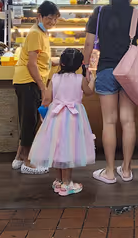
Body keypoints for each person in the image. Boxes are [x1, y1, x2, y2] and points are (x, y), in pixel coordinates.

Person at [84, 0, 138, 184]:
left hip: (105, 71)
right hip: (129, 74)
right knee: (128, 121)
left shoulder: (100, 12)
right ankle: (127, 170)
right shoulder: (136, 14)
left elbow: (88, 45)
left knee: (109, 122)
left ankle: (110, 171)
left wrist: (85, 67)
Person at [28, 49, 96, 196]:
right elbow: (89, 92)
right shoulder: (80, 79)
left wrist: (43, 112)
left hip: (56, 116)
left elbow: (46, 99)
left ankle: (58, 180)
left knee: (56, 147)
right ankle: (67, 184)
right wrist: (92, 80)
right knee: (68, 149)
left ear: (62, 62)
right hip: (73, 118)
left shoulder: (55, 78)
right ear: (79, 65)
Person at [11, 0, 60, 175]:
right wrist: (42, 87)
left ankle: (19, 158)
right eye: (49, 18)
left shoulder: (43, 33)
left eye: (55, 19)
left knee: (29, 121)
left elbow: (41, 59)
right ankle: (28, 162)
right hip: (28, 82)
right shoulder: (35, 33)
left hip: (29, 81)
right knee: (30, 121)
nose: (52, 22)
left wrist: (57, 62)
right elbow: (32, 65)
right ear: (39, 16)